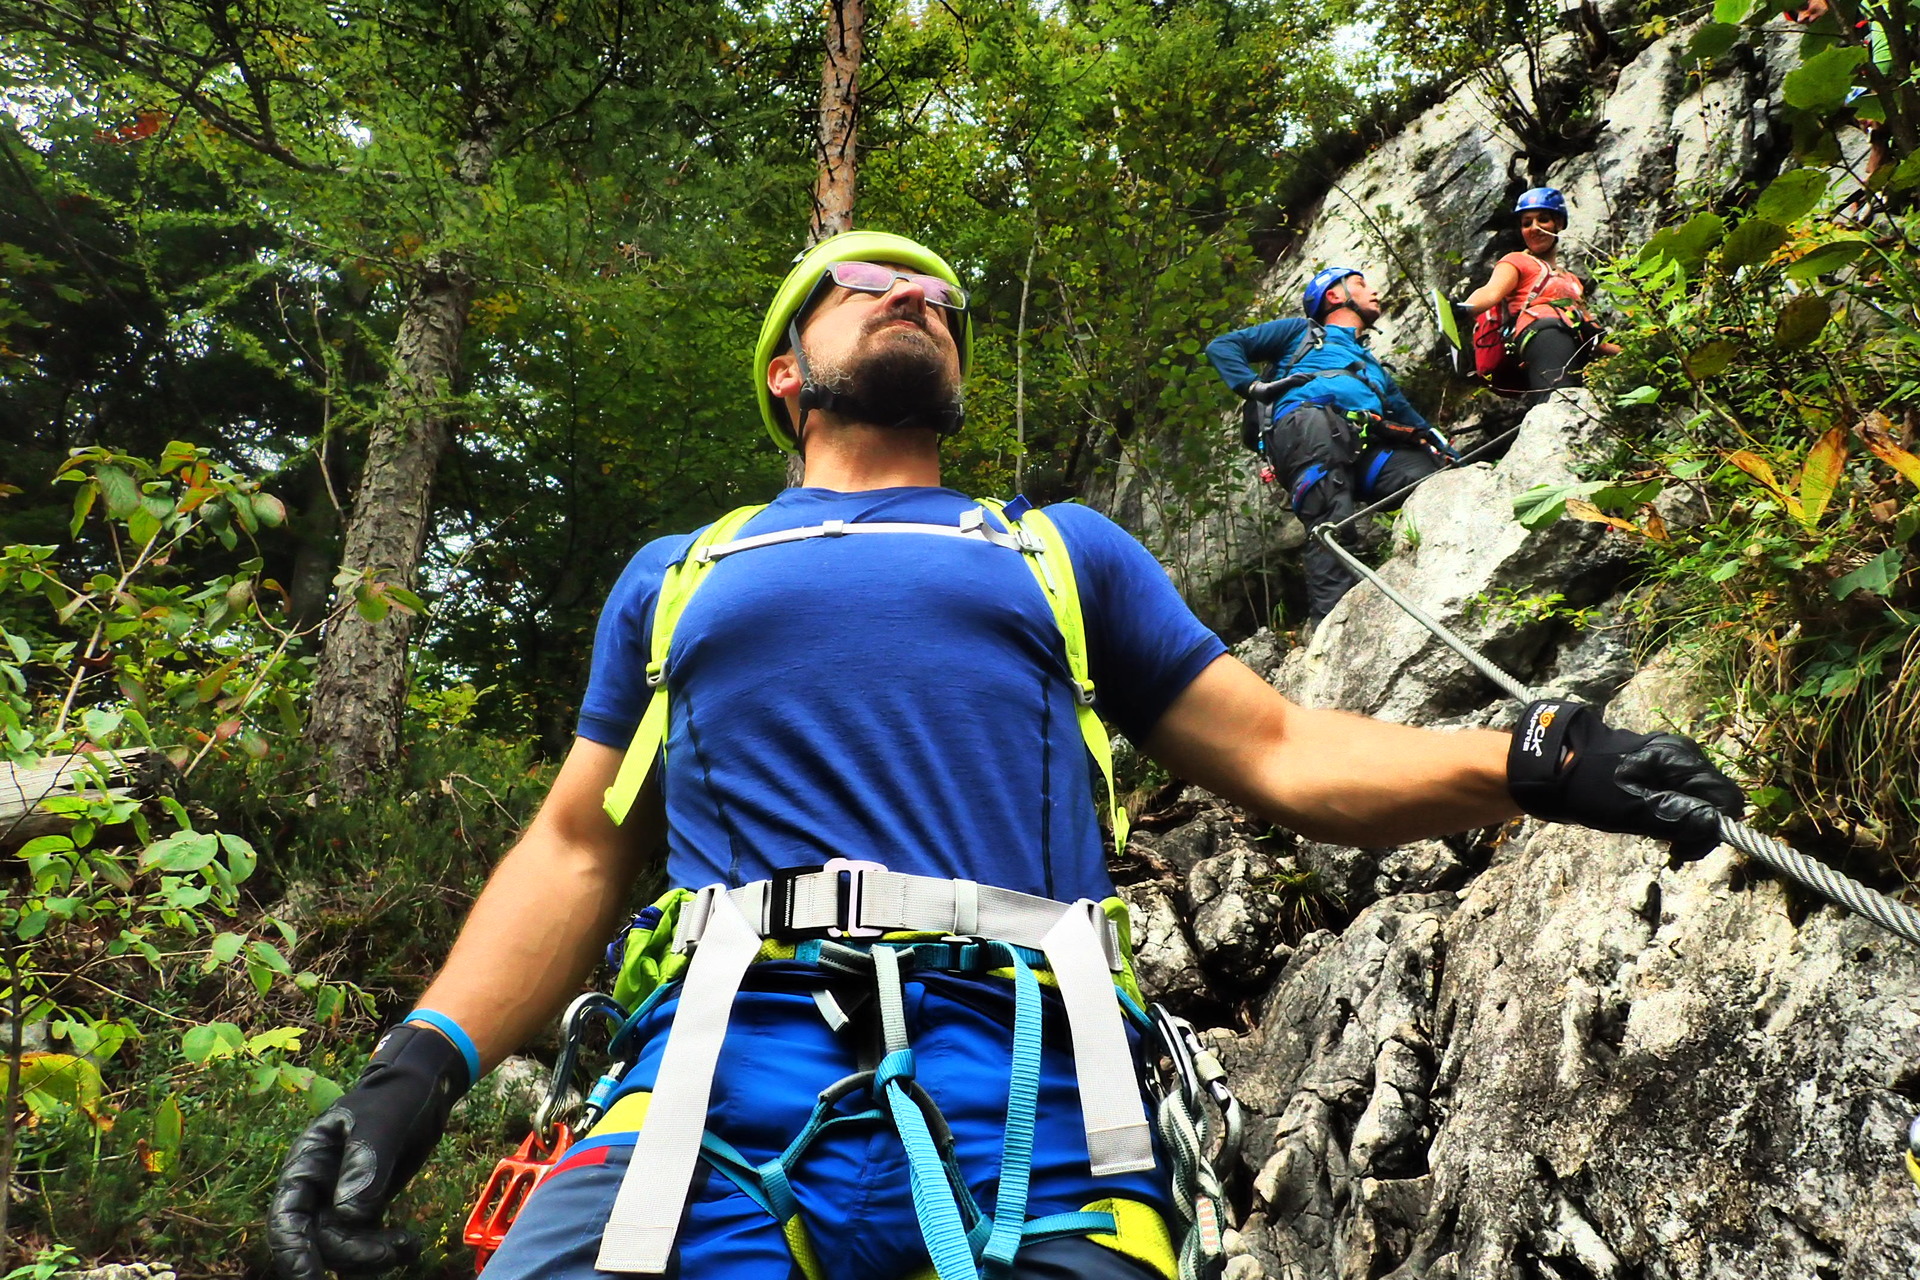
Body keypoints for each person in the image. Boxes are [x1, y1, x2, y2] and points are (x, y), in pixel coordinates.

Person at [268, 230, 1744, 1280]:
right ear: (789, 372)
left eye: (940, 298)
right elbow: (581, 845)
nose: (916, 295)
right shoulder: (681, 570)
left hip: (1042, 1087)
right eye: (868, 283)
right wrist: (412, 1076)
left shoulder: (1056, 553)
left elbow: (1288, 756)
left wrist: (1531, 762)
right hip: (709, 1083)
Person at [1206, 266, 1457, 625]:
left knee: (1431, 480)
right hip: (1309, 426)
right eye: (1360, 284)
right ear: (1334, 295)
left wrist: (1452, 459)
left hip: (1363, 440)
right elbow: (1225, 345)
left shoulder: (1373, 368)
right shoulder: (1302, 332)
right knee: (1331, 517)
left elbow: (1416, 423)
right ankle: (1332, 624)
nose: (1373, 291)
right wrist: (1252, 387)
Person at [1457, 188, 1621, 395]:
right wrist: (1464, 309)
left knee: (1566, 400)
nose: (1534, 228)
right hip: (1543, 333)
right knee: (1559, 397)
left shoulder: (1571, 281)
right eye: (1527, 223)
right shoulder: (1516, 261)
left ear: (1558, 223)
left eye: (1543, 220)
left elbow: (1592, 334)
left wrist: (1632, 354)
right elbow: (1491, 292)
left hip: (1573, 346)